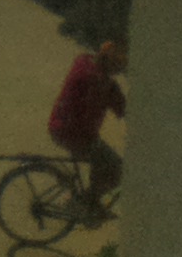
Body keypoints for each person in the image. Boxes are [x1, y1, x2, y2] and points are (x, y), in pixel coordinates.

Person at [50, 35, 127, 217]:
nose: (116, 72)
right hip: (72, 133)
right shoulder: (97, 80)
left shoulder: (86, 64)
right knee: (115, 167)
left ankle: (89, 201)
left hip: (67, 129)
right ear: (108, 63)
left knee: (105, 161)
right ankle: (86, 203)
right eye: (116, 67)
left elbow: (120, 105)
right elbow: (121, 106)